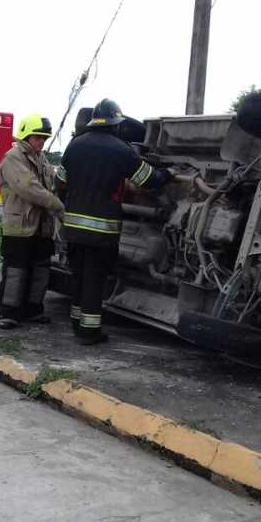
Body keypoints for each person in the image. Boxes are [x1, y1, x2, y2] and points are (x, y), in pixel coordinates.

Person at [57, 99, 172, 345]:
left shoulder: (75, 145)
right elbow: (148, 180)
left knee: (78, 276)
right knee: (94, 281)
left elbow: (60, 182)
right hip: (102, 231)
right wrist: (167, 175)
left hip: (73, 229)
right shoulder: (120, 150)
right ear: (116, 124)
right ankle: (90, 332)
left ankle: (77, 324)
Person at [0, 115, 65, 330]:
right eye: (37, 138)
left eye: (44, 139)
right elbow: (29, 187)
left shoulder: (41, 159)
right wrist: (57, 205)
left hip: (41, 228)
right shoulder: (13, 157)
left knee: (40, 270)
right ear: (26, 136)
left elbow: (52, 182)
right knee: (16, 270)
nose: (41, 142)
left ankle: (34, 309)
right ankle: (8, 312)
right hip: (20, 228)